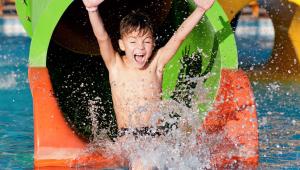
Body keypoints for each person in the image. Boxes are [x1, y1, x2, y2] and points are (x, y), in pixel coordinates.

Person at [82, 0, 215, 132]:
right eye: (133, 42)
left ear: (153, 44)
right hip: (127, 136)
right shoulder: (116, 65)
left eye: (146, 41)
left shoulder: (156, 63)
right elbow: (102, 38)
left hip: (155, 134)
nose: (140, 47)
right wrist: (92, 10)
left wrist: (200, 10)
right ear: (122, 45)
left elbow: (178, 37)